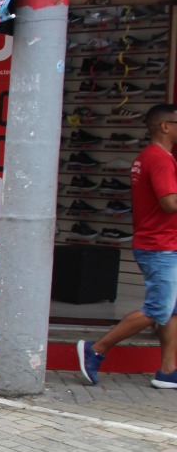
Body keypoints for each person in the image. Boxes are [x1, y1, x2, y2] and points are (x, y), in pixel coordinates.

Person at [78, 104, 177, 389]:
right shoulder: (159, 159)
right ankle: (95, 349)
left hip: (161, 243)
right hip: (160, 246)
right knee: (158, 309)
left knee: (172, 309)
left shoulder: (150, 156)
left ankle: (168, 370)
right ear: (164, 126)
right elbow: (169, 202)